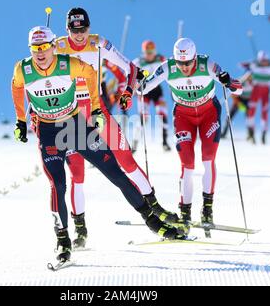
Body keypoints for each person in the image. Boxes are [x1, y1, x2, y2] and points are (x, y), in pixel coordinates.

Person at [11, 26, 184, 262]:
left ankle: (153, 221)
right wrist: (21, 120)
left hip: (76, 126)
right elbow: (17, 87)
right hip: (49, 131)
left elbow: (92, 73)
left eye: (43, 47)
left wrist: (94, 107)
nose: (40, 54)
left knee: (115, 173)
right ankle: (63, 241)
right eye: (35, 49)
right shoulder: (23, 69)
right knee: (58, 185)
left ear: (52, 46)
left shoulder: (67, 63)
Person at [52, 7, 180, 248]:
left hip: (97, 111)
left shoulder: (98, 43)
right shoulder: (56, 47)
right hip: (68, 118)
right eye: (74, 30)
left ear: (88, 28)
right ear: (67, 29)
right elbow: (37, 78)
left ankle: (155, 208)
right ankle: (80, 229)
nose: (79, 34)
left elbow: (130, 68)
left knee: (126, 161)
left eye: (83, 29)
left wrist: (129, 91)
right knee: (77, 176)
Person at [136, 37, 242, 228]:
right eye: (180, 63)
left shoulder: (206, 65)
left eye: (188, 63)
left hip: (209, 113)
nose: (184, 67)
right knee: (187, 165)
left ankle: (207, 210)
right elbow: (142, 90)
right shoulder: (167, 67)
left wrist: (228, 82)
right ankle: (185, 213)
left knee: (208, 159)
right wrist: (139, 82)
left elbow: (238, 90)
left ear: (195, 58)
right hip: (184, 116)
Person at [240, 51, 270, 144]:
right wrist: (247, 66)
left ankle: (264, 134)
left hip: (266, 91)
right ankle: (251, 133)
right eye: (262, 60)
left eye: (265, 60)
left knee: (265, 112)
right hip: (255, 90)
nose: (264, 62)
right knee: (251, 111)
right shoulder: (254, 65)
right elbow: (241, 64)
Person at [132, 40, 171, 151]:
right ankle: (134, 143)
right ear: (143, 52)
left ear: (155, 51)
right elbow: (130, 76)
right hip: (144, 92)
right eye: (147, 52)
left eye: (151, 51)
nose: (149, 54)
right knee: (143, 118)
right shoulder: (138, 62)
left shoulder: (161, 59)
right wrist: (132, 89)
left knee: (162, 114)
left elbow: (172, 67)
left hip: (157, 91)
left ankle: (164, 142)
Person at [221, 72, 253, 139]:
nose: (250, 77)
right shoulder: (242, 81)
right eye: (249, 76)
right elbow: (233, 94)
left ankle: (251, 135)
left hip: (247, 101)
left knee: (249, 118)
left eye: (251, 76)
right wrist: (238, 103)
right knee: (229, 117)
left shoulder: (253, 83)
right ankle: (223, 133)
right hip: (239, 100)